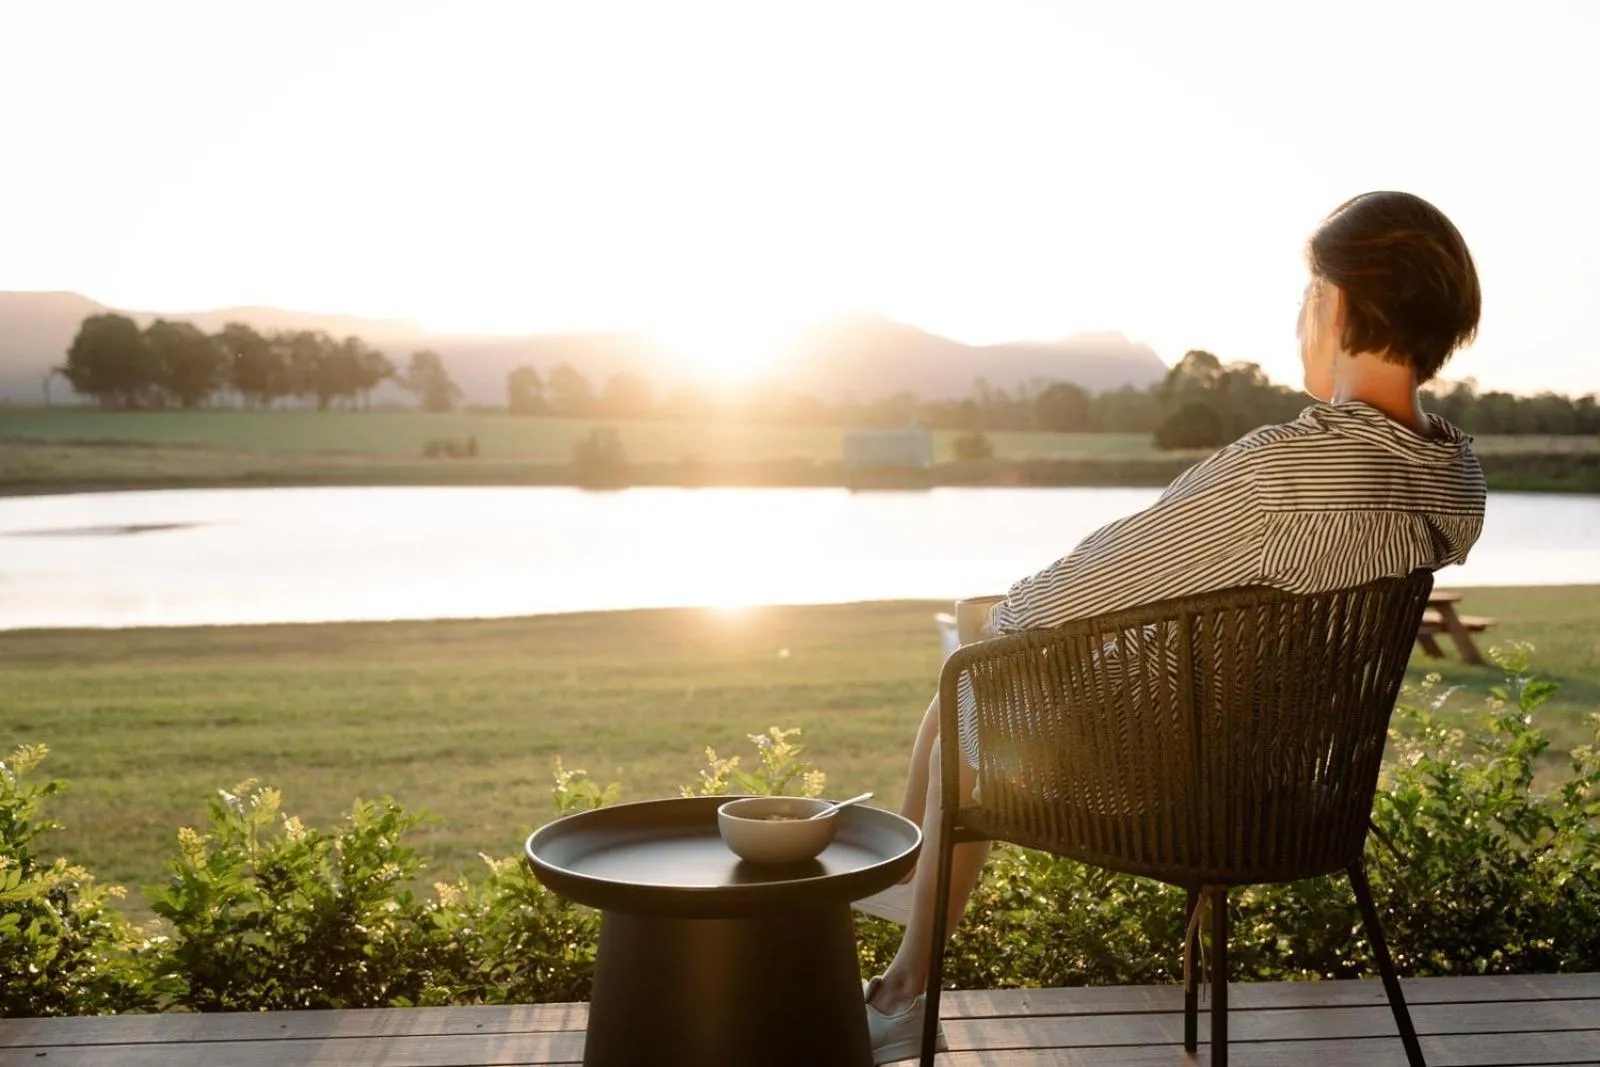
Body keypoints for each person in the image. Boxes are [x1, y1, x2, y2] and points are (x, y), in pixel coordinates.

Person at [858, 190, 1487, 1064]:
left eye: (1308, 294)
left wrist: (1006, 623)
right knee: (975, 660)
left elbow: (1079, 588)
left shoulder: (1282, 470)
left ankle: (899, 981)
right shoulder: (1455, 479)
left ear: (1334, 303)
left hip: (1194, 786)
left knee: (971, 675)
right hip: (1300, 783)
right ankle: (906, 889)